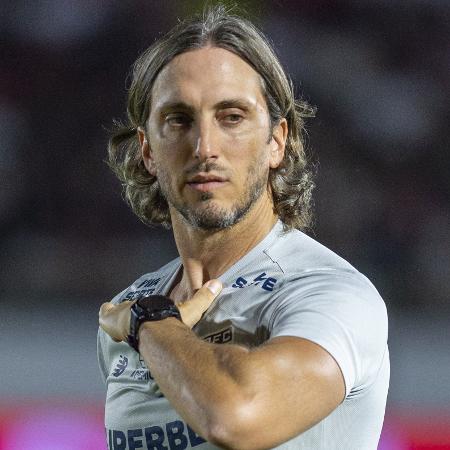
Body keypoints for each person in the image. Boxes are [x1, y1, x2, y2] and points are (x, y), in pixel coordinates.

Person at [98, 6, 389, 450]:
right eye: (179, 119)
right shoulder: (127, 307)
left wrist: (152, 323)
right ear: (147, 151)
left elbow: (235, 418)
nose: (205, 147)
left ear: (276, 141)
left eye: (231, 117)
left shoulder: (330, 293)